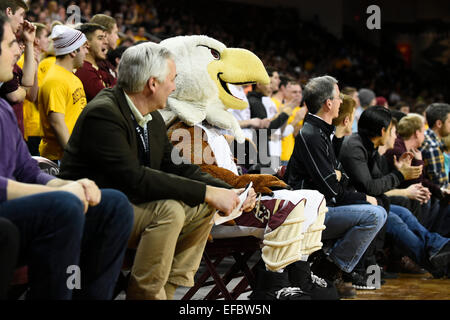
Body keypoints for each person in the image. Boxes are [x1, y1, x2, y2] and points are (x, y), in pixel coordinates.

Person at [58, 42, 245, 300]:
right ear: (152, 84)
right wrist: (207, 191)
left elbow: (178, 167)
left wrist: (228, 191)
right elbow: (134, 178)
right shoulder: (104, 113)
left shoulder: (153, 117)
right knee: (170, 210)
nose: (174, 86)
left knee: (203, 206)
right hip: (91, 208)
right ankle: (145, 294)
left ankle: (165, 293)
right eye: (172, 79)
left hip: (128, 203)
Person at [0, 14, 133, 300]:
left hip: (23, 192)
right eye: (11, 44)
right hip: (16, 199)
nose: (19, 51)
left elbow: (26, 169)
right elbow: (58, 123)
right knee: (65, 205)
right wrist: (65, 186)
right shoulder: (57, 80)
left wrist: (69, 185)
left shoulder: (4, 109)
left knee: (115, 205)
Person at [285, 75, 387, 298]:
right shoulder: (311, 134)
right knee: (374, 214)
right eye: (338, 97)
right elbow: (333, 187)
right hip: (307, 213)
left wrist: (340, 177)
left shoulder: (321, 132)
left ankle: (331, 267)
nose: (341, 101)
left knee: (379, 209)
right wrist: (357, 194)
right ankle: (330, 270)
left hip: (322, 206)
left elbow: (344, 179)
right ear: (328, 103)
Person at [339, 106, 450, 278]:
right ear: (383, 131)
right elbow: (370, 187)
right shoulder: (355, 147)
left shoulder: (369, 147)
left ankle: (438, 246)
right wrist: (399, 174)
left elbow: (380, 185)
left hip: (368, 202)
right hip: (351, 203)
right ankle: (438, 262)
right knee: (396, 219)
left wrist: (400, 173)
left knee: (404, 213)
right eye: (393, 131)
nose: (395, 136)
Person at [38, 25, 88, 162]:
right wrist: (74, 156)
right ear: (73, 51)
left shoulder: (71, 77)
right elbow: (57, 123)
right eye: (83, 47)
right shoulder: (55, 80)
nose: (86, 52)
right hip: (59, 158)